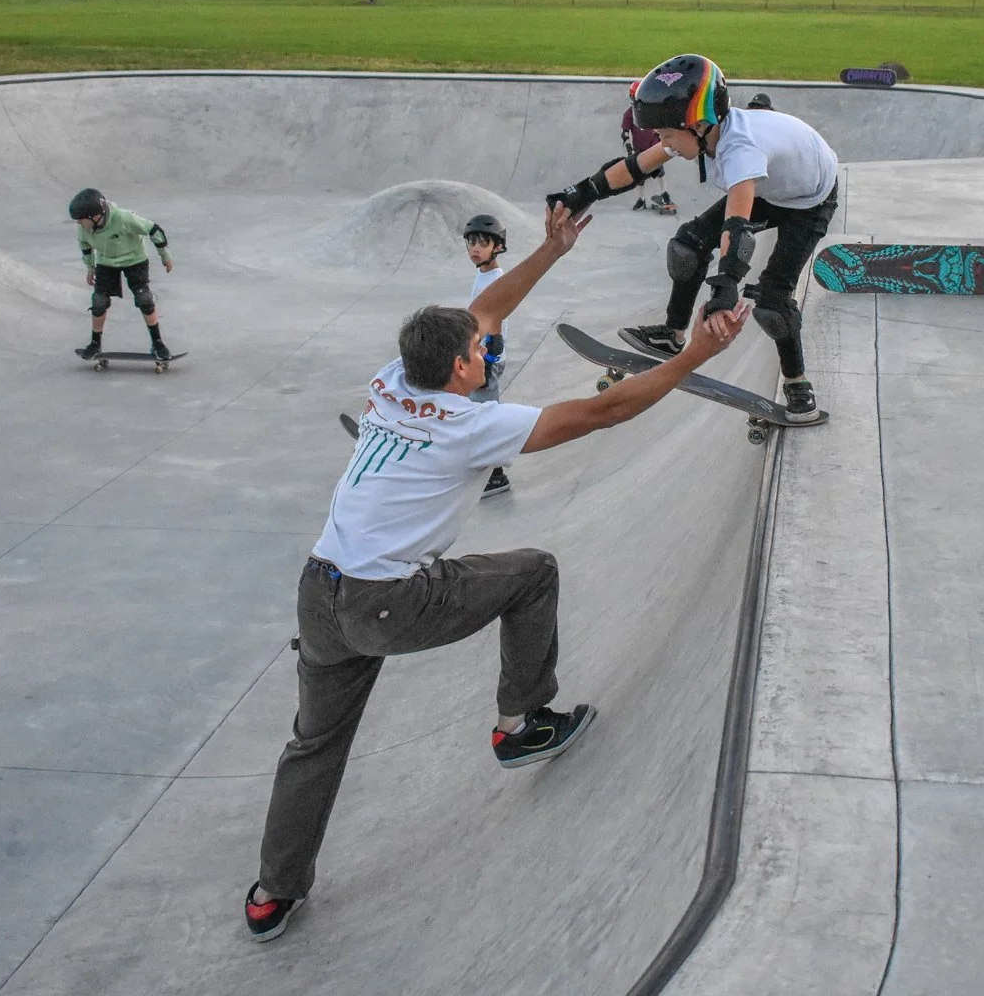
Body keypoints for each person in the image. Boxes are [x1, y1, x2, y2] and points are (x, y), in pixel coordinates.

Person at [246, 202, 748, 943]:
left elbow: (483, 307)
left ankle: (272, 892)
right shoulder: (472, 427)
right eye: (478, 356)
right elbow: (604, 412)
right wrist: (695, 357)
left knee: (314, 743)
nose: (486, 359)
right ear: (457, 366)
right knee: (532, 571)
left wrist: (552, 251)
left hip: (318, 590)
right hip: (386, 600)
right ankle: (521, 723)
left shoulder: (392, 379)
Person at [545, 54, 837, 423]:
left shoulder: (740, 149)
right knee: (687, 246)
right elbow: (634, 168)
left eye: (667, 136)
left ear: (698, 125)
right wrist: (579, 194)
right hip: (773, 187)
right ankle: (673, 334)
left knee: (772, 300)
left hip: (810, 202)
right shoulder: (696, 130)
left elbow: (737, 226)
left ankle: (798, 387)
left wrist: (725, 289)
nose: (663, 143)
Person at [68, 188, 175, 361]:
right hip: (106, 262)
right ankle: (95, 343)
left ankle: (157, 343)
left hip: (135, 259)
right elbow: (85, 246)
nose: (78, 223)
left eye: (81, 219)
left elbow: (154, 230)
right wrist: (90, 268)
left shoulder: (124, 218)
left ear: (95, 216)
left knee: (144, 299)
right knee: (99, 301)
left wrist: (165, 255)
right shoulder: (85, 228)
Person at [462, 213, 513, 498]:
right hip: (478, 355)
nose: (475, 248)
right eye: (471, 243)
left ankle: (496, 476)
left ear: (498, 247)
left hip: (487, 359)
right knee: (473, 409)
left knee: (485, 413)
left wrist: (488, 360)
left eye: (483, 243)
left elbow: (496, 319)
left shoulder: (496, 279)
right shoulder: (482, 274)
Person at [621, 82, 674, 214]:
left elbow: (661, 126)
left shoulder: (652, 111)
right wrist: (629, 148)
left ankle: (664, 194)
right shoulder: (629, 114)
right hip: (639, 149)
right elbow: (625, 133)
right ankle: (641, 199)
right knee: (640, 176)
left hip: (654, 146)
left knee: (659, 171)